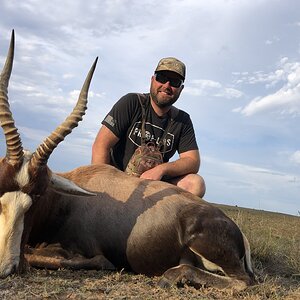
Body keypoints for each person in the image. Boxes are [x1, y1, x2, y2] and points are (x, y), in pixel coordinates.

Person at [92, 57, 206, 197]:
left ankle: (163, 218)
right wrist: (103, 188)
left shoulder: (182, 120)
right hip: (119, 182)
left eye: (175, 82)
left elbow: (193, 161)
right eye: (162, 78)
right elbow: (101, 145)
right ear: (152, 80)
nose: (167, 85)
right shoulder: (132, 102)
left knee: (196, 184)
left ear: (181, 89)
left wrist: (161, 170)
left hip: (153, 186)